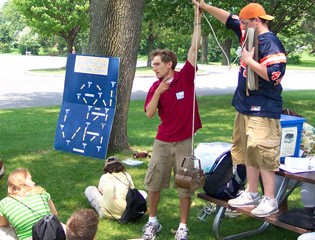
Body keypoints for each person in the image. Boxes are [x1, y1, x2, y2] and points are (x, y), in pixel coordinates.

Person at [194, 1, 286, 217]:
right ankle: (251, 192)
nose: (241, 27)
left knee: (262, 150)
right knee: (246, 150)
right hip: (244, 106)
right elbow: (228, 18)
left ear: (256, 20)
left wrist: (249, 62)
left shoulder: (270, 42)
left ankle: (270, 199)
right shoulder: (249, 34)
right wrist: (205, 7)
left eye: (245, 23)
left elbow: (275, 75)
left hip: (263, 107)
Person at [141, 3, 202, 240]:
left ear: (169, 64)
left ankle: (183, 227)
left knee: (185, 185)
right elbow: (148, 114)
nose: (154, 68)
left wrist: (198, 17)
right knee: (153, 182)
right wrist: (159, 92)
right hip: (163, 142)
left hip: (185, 142)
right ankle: (152, 222)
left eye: (157, 64)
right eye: (153, 64)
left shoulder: (186, 77)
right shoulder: (156, 87)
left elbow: (194, 47)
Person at [0, 168, 63, 240]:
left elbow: (2, 223)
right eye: (30, 179)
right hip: (52, 234)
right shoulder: (41, 193)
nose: (33, 182)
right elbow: (54, 215)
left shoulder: (4, 203)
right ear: (20, 183)